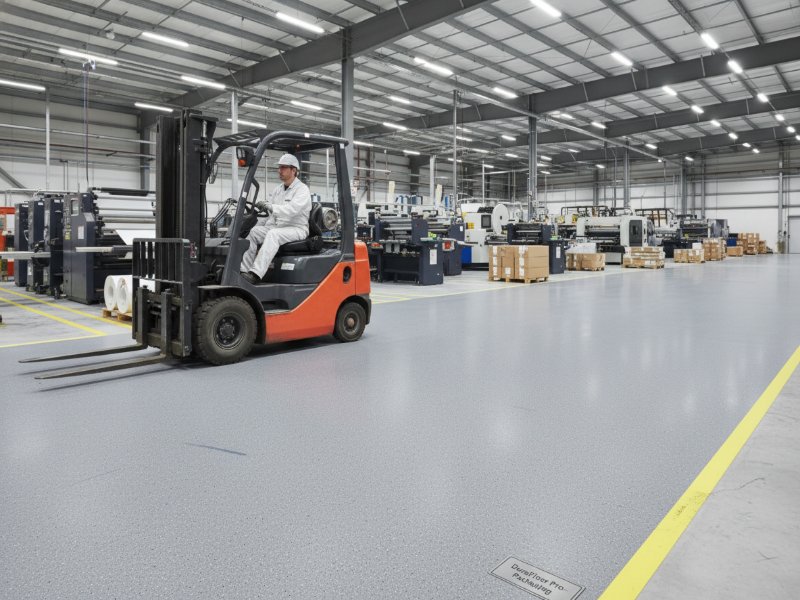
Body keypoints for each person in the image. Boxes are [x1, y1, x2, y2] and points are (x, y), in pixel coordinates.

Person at [240, 153, 311, 284]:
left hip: (296, 228)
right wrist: (256, 221)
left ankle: (255, 274)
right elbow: (270, 214)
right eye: (279, 167)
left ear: (293, 170)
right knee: (254, 232)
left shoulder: (302, 190)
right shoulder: (278, 190)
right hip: (279, 227)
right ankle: (244, 271)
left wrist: (271, 207)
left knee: (273, 234)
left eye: (283, 167)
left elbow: (292, 210)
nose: (279, 171)